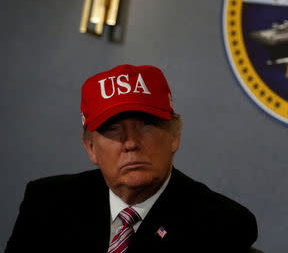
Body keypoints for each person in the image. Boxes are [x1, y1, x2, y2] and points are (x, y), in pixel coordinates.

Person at [6, 64, 258, 253]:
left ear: (174, 136)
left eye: (146, 124)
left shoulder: (222, 224)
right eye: (112, 129)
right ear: (90, 147)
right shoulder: (47, 203)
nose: (131, 142)